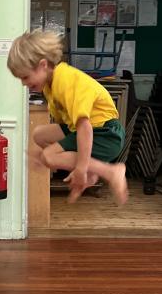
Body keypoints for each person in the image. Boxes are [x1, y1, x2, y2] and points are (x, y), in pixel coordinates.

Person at [7, 30, 129, 205]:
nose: (23, 83)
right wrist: (43, 156)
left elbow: (85, 128)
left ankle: (110, 171)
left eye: (25, 77)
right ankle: (92, 169)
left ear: (43, 65)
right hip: (94, 129)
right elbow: (67, 128)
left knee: (50, 156)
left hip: (106, 133)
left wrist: (80, 168)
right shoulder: (50, 86)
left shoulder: (65, 81)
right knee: (40, 135)